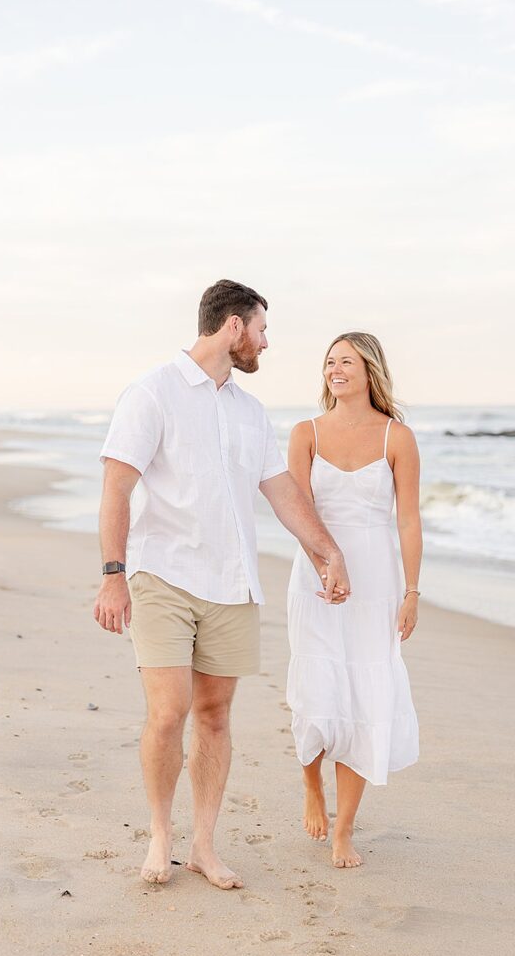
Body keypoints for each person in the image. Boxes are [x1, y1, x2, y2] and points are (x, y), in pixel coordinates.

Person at [94, 280, 350, 890]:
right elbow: (116, 486)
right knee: (169, 713)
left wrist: (326, 551)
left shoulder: (249, 411)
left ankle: (204, 846)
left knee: (214, 716)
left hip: (233, 583)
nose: (266, 343)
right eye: (261, 330)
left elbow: (282, 492)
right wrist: (113, 576)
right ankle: (160, 836)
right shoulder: (152, 392)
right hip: (163, 576)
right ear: (233, 328)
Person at [286, 331, 420, 869]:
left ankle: (345, 830)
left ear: (370, 370)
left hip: (376, 578)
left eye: (346, 361)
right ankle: (311, 782)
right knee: (319, 683)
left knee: (367, 693)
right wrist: (325, 562)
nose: (335, 369)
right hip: (315, 574)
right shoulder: (305, 433)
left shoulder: (397, 437)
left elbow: (408, 520)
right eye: (329, 362)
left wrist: (412, 592)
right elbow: (297, 511)